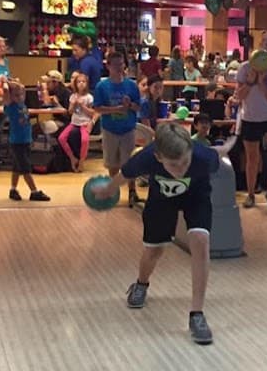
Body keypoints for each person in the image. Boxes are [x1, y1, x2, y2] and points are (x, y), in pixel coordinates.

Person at [92, 123, 220, 345]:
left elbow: (218, 156)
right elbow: (124, 174)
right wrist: (108, 190)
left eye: (185, 163)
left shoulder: (203, 156)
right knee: (154, 249)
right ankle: (141, 284)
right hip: (161, 201)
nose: (181, 169)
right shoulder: (147, 157)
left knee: (200, 241)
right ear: (159, 158)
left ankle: (197, 314)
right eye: (174, 165)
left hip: (196, 198)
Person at [235, 33, 267, 213]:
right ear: (260, 43)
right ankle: (250, 194)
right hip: (250, 117)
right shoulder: (245, 67)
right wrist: (250, 81)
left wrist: (262, 82)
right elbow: (238, 96)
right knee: (252, 158)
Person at [93, 51, 143, 206]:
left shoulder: (131, 85)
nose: (118, 68)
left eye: (121, 64)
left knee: (129, 163)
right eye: (115, 65)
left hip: (128, 129)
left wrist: (129, 106)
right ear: (108, 66)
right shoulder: (102, 86)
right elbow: (98, 108)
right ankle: (113, 191)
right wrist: (117, 109)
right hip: (110, 129)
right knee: (112, 163)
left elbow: (138, 107)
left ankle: (132, 191)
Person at [2, 81, 50, 201]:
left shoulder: (22, 105)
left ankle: (13, 189)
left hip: (25, 140)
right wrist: (7, 82)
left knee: (17, 168)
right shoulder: (10, 107)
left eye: (21, 94)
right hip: (17, 142)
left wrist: (19, 86)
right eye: (16, 95)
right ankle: (34, 191)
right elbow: (5, 90)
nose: (20, 97)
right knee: (25, 168)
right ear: (11, 97)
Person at [58, 74, 96, 173]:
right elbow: (70, 112)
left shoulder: (89, 97)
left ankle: (81, 162)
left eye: (83, 82)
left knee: (84, 140)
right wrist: (73, 104)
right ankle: (72, 158)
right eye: (79, 82)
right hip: (74, 122)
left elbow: (92, 113)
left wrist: (83, 106)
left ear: (87, 84)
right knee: (61, 138)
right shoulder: (73, 96)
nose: (81, 84)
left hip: (84, 123)